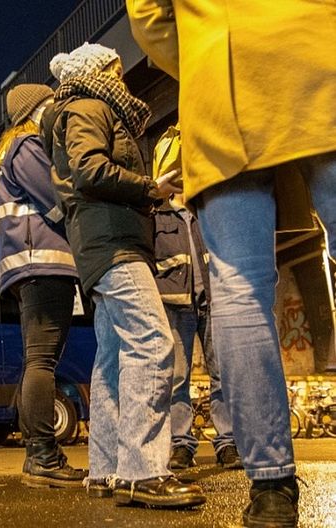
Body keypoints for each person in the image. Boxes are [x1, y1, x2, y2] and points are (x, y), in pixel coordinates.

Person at [127, 2, 336, 526]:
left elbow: (150, 17)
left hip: (223, 87)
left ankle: (272, 488)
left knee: (240, 292)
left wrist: (204, 55)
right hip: (320, 57)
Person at [39, 42, 205, 508]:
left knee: (111, 357)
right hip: (114, 244)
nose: (122, 77)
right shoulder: (91, 106)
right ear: (100, 71)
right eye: (116, 68)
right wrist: (151, 188)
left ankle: (107, 468)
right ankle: (144, 470)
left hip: (101, 245)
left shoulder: (78, 108)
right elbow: (91, 170)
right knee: (153, 344)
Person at [0, 83, 86, 488]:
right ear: (32, 111)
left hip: (33, 266)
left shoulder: (11, 150)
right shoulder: (27, 145)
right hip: (43, 263)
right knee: (42, 361)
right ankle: (43, 455)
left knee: (39, 360)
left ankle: (39, 455)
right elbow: (58, 198)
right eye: (48, 105)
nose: (54, 112)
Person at [153, 192, 242, 471]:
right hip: (175, 302)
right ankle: (181, 444)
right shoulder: (158, 212)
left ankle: (227, 442)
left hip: (214, 300)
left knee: (223, 376)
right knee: (178, 379)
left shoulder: (205, 207)